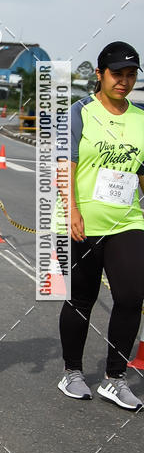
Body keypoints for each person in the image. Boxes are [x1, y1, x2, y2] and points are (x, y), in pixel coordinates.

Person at [57, 41, 144, 410]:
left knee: (130, 295)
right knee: (82, 298)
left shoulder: (141, 118)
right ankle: (72, 372)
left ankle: (114, 377)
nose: (124, 81)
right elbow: (65, 166)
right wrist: (71, 210)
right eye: (117, 74)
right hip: (83, 221)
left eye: (130, 75)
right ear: (99, 74)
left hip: (128, 220)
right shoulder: (79, 114)